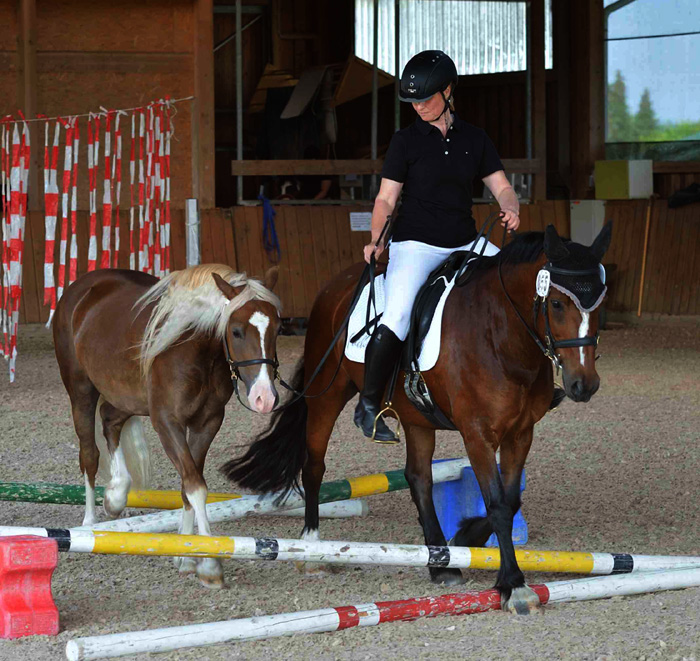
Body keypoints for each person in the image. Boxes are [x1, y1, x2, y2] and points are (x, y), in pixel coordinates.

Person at [354, 50, 521, 443]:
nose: (418, 107)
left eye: (425, 99)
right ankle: (369, 404)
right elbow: (385, 199)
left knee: (514, 285)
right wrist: (376, 238)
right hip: (416, 244)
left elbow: (502, 187)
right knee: (397, 315)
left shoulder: (475, 139)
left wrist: (510, 207)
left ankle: (537, 379)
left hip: (466, 241)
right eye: (412, 101)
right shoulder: (405, 142)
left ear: (447, 91)